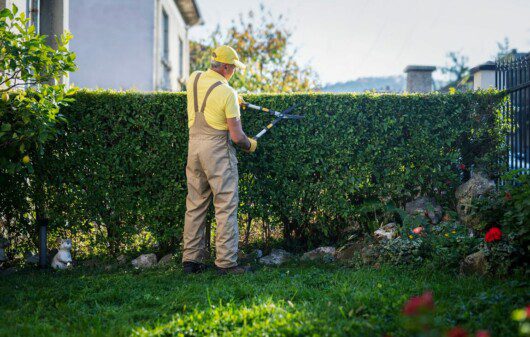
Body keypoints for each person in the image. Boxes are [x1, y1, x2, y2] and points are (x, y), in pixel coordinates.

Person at [182, 45, 257, 275]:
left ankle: (191, 261)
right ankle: (226, 264)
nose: (234, 71)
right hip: (217, 152)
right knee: (225, 205)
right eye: (233, 67)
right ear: (225, 67)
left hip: (194, 149)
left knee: (195, 203)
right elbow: (237, 137)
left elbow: (210, 94)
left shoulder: (193, 79)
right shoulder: (227, 93)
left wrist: (235, 98)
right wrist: (251, 145)